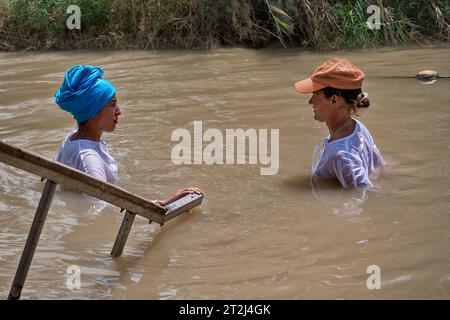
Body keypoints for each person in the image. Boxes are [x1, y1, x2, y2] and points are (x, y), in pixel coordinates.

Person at [54, 65, 203, 206]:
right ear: (93, 112)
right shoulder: (90, 158)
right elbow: (103, 211)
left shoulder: (71, 138)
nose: (119, 111)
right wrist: (164, 202)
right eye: (112, 105)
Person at [294, 58, 385, 189]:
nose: (310, 102)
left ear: (334, 100)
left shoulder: (339, 156)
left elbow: (362, 192)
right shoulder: (358, 128)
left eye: (315, 95)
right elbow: (379, 165)